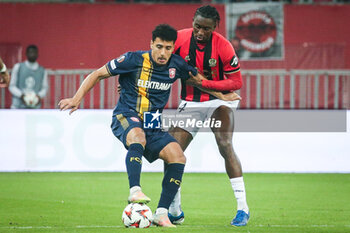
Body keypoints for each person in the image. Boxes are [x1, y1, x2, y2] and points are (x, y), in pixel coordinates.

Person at [59, 24, 237, 227]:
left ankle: (161, 213)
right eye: (159, 46)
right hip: (126, 115)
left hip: (152, 122)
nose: (163, 53)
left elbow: (199, 81)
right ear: (151, 43)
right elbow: (97, 74)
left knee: (177, 156)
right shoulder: (132, 59)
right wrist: (76, 98)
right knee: (138, 136)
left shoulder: (176, 65)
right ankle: (135, 191)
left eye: (168, 48)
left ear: (173, 48)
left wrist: (222, 95)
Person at [166, 5, 250, 227]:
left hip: (220, 101)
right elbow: (157, 62)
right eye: (197, 26)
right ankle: (175, 210)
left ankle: (243, 208)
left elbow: (236, 83)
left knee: (225, 144)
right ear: (192, 21)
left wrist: (204, 83)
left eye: (206, 29)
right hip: (191, 103)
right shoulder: (179, 39)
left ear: (215, 27)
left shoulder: (223, 46)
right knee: (172, 151)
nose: (200, 32)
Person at [9, 45, 48, 109]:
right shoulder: (18, 67)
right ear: (26, 54)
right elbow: (12, 86)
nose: (32, 54)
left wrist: (38, 96)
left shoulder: (42, 70)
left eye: (34, 52)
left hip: (35, 107)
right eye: (30, 52)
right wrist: (22, 96)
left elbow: (44, 88)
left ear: (37, 54)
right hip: (17, 107)